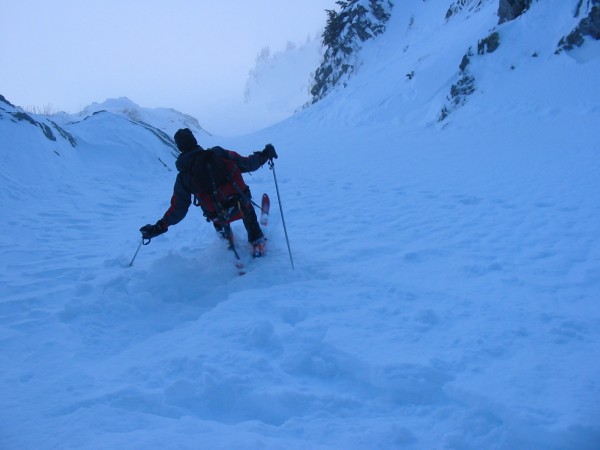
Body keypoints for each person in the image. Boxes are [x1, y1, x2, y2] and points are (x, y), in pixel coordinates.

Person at [140, 128, 278, 257]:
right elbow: (247, 164)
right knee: (247, 211)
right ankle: (257, 242)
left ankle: (229, 246)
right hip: (242, 205)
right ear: (195, 141)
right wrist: (265, 154)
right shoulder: (218, 153)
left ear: (180, 147)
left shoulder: (184, 176)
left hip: (218, 215)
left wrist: (159, 227)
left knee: (219, 220)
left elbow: (178, 209)